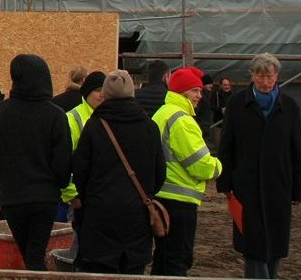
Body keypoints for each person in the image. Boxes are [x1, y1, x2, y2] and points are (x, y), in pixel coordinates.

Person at [216, 54, 301, 279]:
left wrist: (299, 189)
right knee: (253, 243)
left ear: (277, 76)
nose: (266, 82)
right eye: (260, 76)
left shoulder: (289, 106)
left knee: (275, 241)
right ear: (252, 76)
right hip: (247, 185)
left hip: (279, 184)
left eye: (270, 77)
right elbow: (227, 145)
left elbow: (297, 148)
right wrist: (224, 182)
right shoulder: (237, 103)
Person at [72, 69, 166, 274]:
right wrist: (146, 195)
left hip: (100, 213)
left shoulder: (94, 125)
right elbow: (160, 172)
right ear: (132, 93)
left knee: (100, 271)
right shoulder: (149, 127)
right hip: (137, 214)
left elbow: (80, 170)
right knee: (132, 271)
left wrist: (90, 196)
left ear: (106, 94)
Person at [0, 54, 71, 271]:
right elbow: (63, 158)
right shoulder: (55, 115)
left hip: (13, 196)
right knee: (34, 254)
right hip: (45, 196)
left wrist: (3, 178)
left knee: (29, 253)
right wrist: (58, 183)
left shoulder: (2, 111)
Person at [151, 66, 222, 276]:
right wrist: (218, 166)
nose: (200, 96)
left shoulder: (162, 113)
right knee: (178, 260)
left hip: (161, 196)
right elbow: (200, 165)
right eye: (195, 91)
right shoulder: (182, 120)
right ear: (182, 92)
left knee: (163, 258)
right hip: (179, 200)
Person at [60, 70, 106, 225]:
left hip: (102, 195)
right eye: (97, 90)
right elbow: (63, 160)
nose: (102, 95)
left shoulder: (108, 116)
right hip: (80, 196)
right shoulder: (73, 118)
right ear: (87, 92)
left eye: (104, 91)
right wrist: (71, 195)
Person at [196, 74, 214, 142]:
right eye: (209, 84)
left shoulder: (205, 95)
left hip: (204, 126)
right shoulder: (200, 96)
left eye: (211, 84)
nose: (211, 86)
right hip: (201, 126)